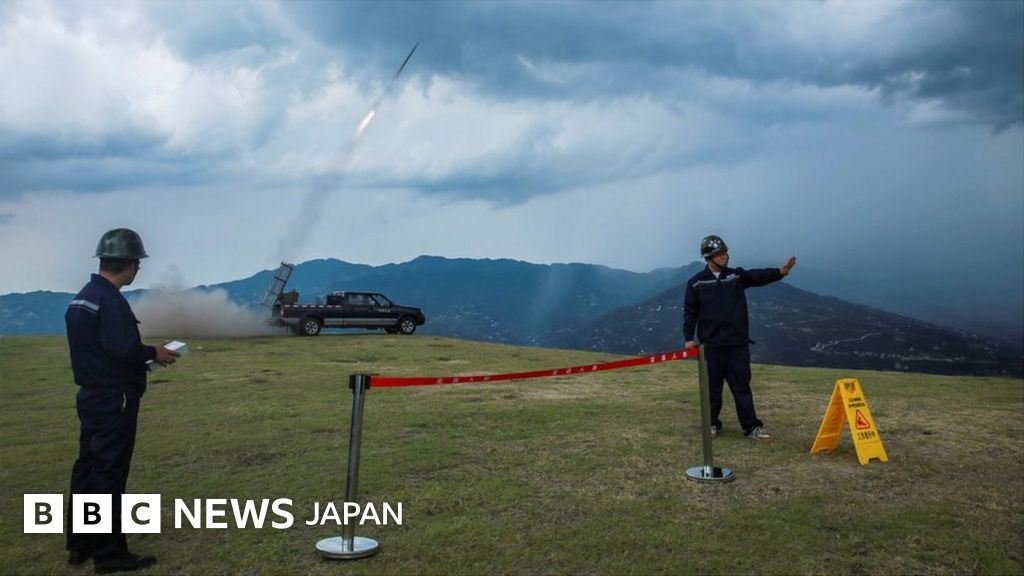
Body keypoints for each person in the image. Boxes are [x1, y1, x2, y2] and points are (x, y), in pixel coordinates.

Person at [65, 228, 179, 573]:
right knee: (109, 474)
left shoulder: (82, 298)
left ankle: (80, 543)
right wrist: (154, 352)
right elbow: (124, 350)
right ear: (131, 264)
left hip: (90, 395)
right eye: (137, 264)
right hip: (115, 399)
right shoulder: (111, 301)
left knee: (87, 469)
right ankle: (110, 553)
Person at [683, 235, 796, 440]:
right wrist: (688, 337)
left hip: (737, 344)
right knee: (712, 389)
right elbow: (690, 312)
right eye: (719, 254)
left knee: (742, 387)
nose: (725, 257)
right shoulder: (696, 283)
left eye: (725, 253)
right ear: (708, 257)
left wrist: (780, 272)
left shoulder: (736, 276)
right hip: (711, 346)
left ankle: (751, 427)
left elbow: (757, 276)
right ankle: (711, 423)